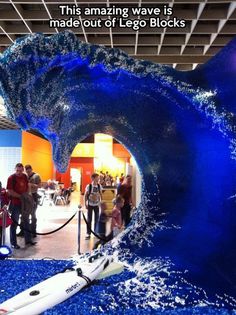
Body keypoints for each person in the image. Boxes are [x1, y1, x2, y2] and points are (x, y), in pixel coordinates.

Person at [7, 163, 36, 248]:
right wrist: (21, 196)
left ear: (23, 170)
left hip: (24, 204)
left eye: (20, 170)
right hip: (15, 204)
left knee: (26, 222)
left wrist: (28, 195)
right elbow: (9, 191)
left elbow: (27, 186)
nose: (19, 172)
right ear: (15, 169)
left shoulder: (24, 176)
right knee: (14, 223)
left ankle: (28, 240)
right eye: (17, 170)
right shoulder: (11, 178)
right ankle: (13, 243)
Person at [84, 173, 102, 240]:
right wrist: (85, 203)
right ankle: (88, 233)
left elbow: (101, 194)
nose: (98, 179)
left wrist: (101, 202)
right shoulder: (89, 186)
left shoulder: (99, 186)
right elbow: (85, 195)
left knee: (97, 219)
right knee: (89, 219)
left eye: (98, 178)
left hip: (96, 205)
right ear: (93, 178)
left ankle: (96, 232)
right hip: (90, 205)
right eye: (97, 177)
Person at [25, 165, 41, 237]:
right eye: (27, 171)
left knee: (33, 214)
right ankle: (24, 231)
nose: (28, 173)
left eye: (29, 171)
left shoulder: (36, 176)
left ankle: (33, 231)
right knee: (24, 214)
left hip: (34, 195)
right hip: (26, 196)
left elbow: (40, 185)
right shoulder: (24, 176)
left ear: (31, 169)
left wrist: (31, 185)